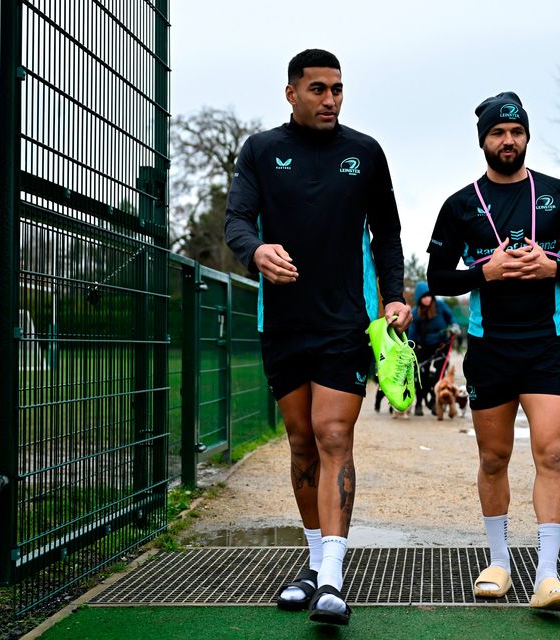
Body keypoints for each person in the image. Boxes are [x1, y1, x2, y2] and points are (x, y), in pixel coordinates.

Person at [224, 49, 410, 626]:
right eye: (318, 89)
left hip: (343, 323)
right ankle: (312, 565)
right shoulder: (260, 150)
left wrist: (395, 295)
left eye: (337, 89)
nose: (330, 99)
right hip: (281, 321)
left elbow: (387, 232)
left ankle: (332, 577)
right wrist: (254, 251)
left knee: (334, 436)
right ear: (292, 94)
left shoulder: (364, 152)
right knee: (301, 442)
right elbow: (236, 221)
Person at [425, 92, 560, 610]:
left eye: (515, 132)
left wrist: (553, 269)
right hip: (490, 348)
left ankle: (548, 574)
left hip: (547, 346)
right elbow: (437, 278)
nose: (508, 141)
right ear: (484, 141)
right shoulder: (460, 204)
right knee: (494, 457)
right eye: (498, 133)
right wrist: (485, 272)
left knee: (551, 452)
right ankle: (498, 561)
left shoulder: (558, 195)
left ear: (527, 136)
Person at [407, 281, 457, 416]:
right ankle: (419, 403)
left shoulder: (440, 306)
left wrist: (454, 326)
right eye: (424, 297)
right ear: (419, 299)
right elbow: (412, 333)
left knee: (439, 375)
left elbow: (451, 318)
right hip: (424, 347)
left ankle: (436, 403)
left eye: (429, 296)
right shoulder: (415, 313)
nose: (427, 299)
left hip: (442, 346)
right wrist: (408, 347)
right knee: (422, 377)